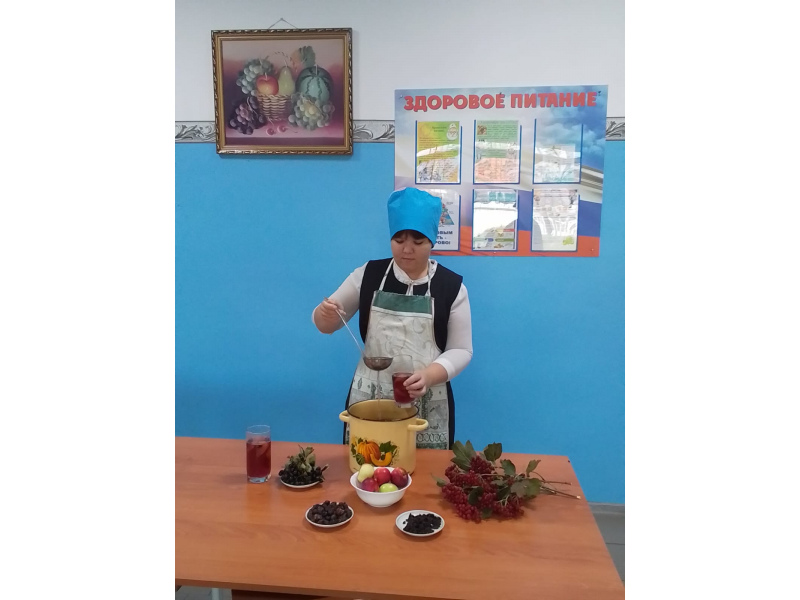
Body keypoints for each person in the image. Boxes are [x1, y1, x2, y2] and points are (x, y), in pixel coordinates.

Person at [312, 187, 473, 450]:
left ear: (432, 241)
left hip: (427, 400)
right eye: (399, 240)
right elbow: (326, 325)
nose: (407, 249)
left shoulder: (451, 287)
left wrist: (428, 376)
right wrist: (324, 314)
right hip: (369, 398)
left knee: (424, 473)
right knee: (367, 465)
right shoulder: (368, 275)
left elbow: (461, 350)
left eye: (418, 242)